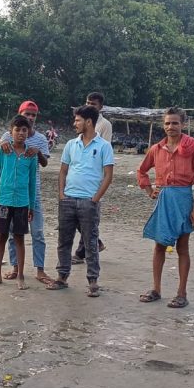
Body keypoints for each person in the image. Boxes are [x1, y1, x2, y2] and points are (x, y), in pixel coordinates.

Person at [136, 107, 194, 308]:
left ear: (182, 124)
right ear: (163, 125)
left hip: (183, 199)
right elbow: (141, 171)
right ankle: (156, 289)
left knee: (183, 247)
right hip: (164, 199)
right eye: (167, 123)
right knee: (159, 245)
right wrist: (149, 191)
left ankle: (182, 293)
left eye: (175, 123)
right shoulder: (157, 149)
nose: (171, 127)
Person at [48, 105, 115, 297]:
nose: (74, 123)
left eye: (78, 120)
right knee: (64, 240)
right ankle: (62, 277)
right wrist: (62, 194)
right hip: (68, 199)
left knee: (90, 241)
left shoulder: (104, 146)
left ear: (89, 122)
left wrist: (95, 199)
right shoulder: (71, 144)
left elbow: (108, 176)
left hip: (89, 201)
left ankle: (93, 281)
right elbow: (63, 171)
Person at [0, 100, 52, 283]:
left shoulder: (41, 139)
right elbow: (0, 160)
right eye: (27, 114)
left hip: (32, 193)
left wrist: (38, 152)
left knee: (37, 232)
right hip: (9, 196)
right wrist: (3, 143)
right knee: (12, 234)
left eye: (33, 115)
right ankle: (15, 267)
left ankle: (40, 269)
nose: (30, 117)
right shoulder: (7, 135)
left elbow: (45, 163)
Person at [0, 115, 38, 289]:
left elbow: (32, 182)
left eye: (24, 130)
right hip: (4, 202)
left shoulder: (31, 155)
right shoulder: (3, 151)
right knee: (2, 237)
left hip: (22, 203)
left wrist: (32, 205)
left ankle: (20, 275)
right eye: (17, 130)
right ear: (10, 132)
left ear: (28, 132)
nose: (21, 133)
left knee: (19, 238)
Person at [72, 91, 112, 263]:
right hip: (80, 175)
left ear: (101, 106)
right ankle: (94, 244)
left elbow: (105, 148)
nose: (90, 105)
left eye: (93, 104)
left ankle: (84, 251)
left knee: (88, 214)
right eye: (88, 102)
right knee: (78, 215)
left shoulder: (104, 125)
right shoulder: (81, 120)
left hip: (95, 176)